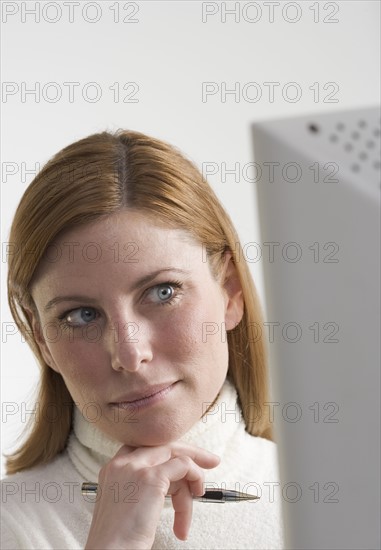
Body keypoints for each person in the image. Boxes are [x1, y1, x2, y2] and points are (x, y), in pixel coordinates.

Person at [1, 129, 284, 549]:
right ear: (42, 338)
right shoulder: (14, 526)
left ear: (230, 291)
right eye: (81, 316)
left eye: (162, 292)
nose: (130, 355)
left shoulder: (344, 494)